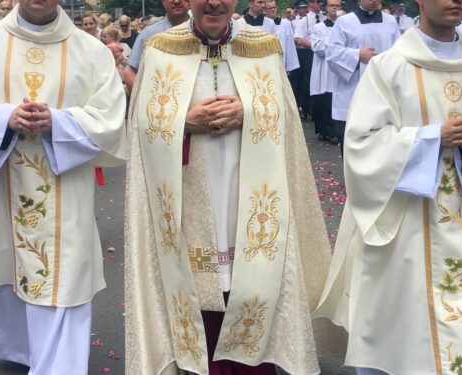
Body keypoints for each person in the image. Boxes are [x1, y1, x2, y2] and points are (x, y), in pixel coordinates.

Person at [313, 0, 462, 373]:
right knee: (402, 332)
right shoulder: (390, 67)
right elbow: (362, 145)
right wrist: (432, 139)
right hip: (404, 225)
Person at [124, 0, 334, 372]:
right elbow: (141, 127)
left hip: (249, 194)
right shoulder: (160, 49)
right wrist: (183, 123)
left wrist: (249, 111)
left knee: (252, 281)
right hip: (191, 195)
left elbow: (285, 118)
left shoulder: (263, 47)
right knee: (196, 288)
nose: (214, 2)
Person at [0, 0, 127, 372]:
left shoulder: (89, 50)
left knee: (64, 278)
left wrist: (58, 122)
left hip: (65, 189)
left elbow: (110, 118)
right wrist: (4, 117)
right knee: (4, 264)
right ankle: (21, 351)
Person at [327, 0, 400, 154]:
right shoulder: (344, 22)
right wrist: (357, 54)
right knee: (352, 147)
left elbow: (400, 53)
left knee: (382, 147)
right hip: (352, 90)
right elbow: (332, 53)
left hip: (383, 92)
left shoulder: (391, 22)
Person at [121, 0, 190, 90]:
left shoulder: (204, 32)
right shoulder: (148, 35)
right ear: (163, 1)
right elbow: (129, 73)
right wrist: (148, 96)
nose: (177, 1)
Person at [310, 0, 339, 143]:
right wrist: (335, 40)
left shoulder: (344, 26)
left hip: (339, 68)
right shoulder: (318, 27)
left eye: (337, 6)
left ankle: (335, 131)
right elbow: (318, 48)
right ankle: (324, 131)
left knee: (336, 99)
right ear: (327, 9)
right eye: (332, 6)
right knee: (324, 100)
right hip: (324, 68)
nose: (335, 8)